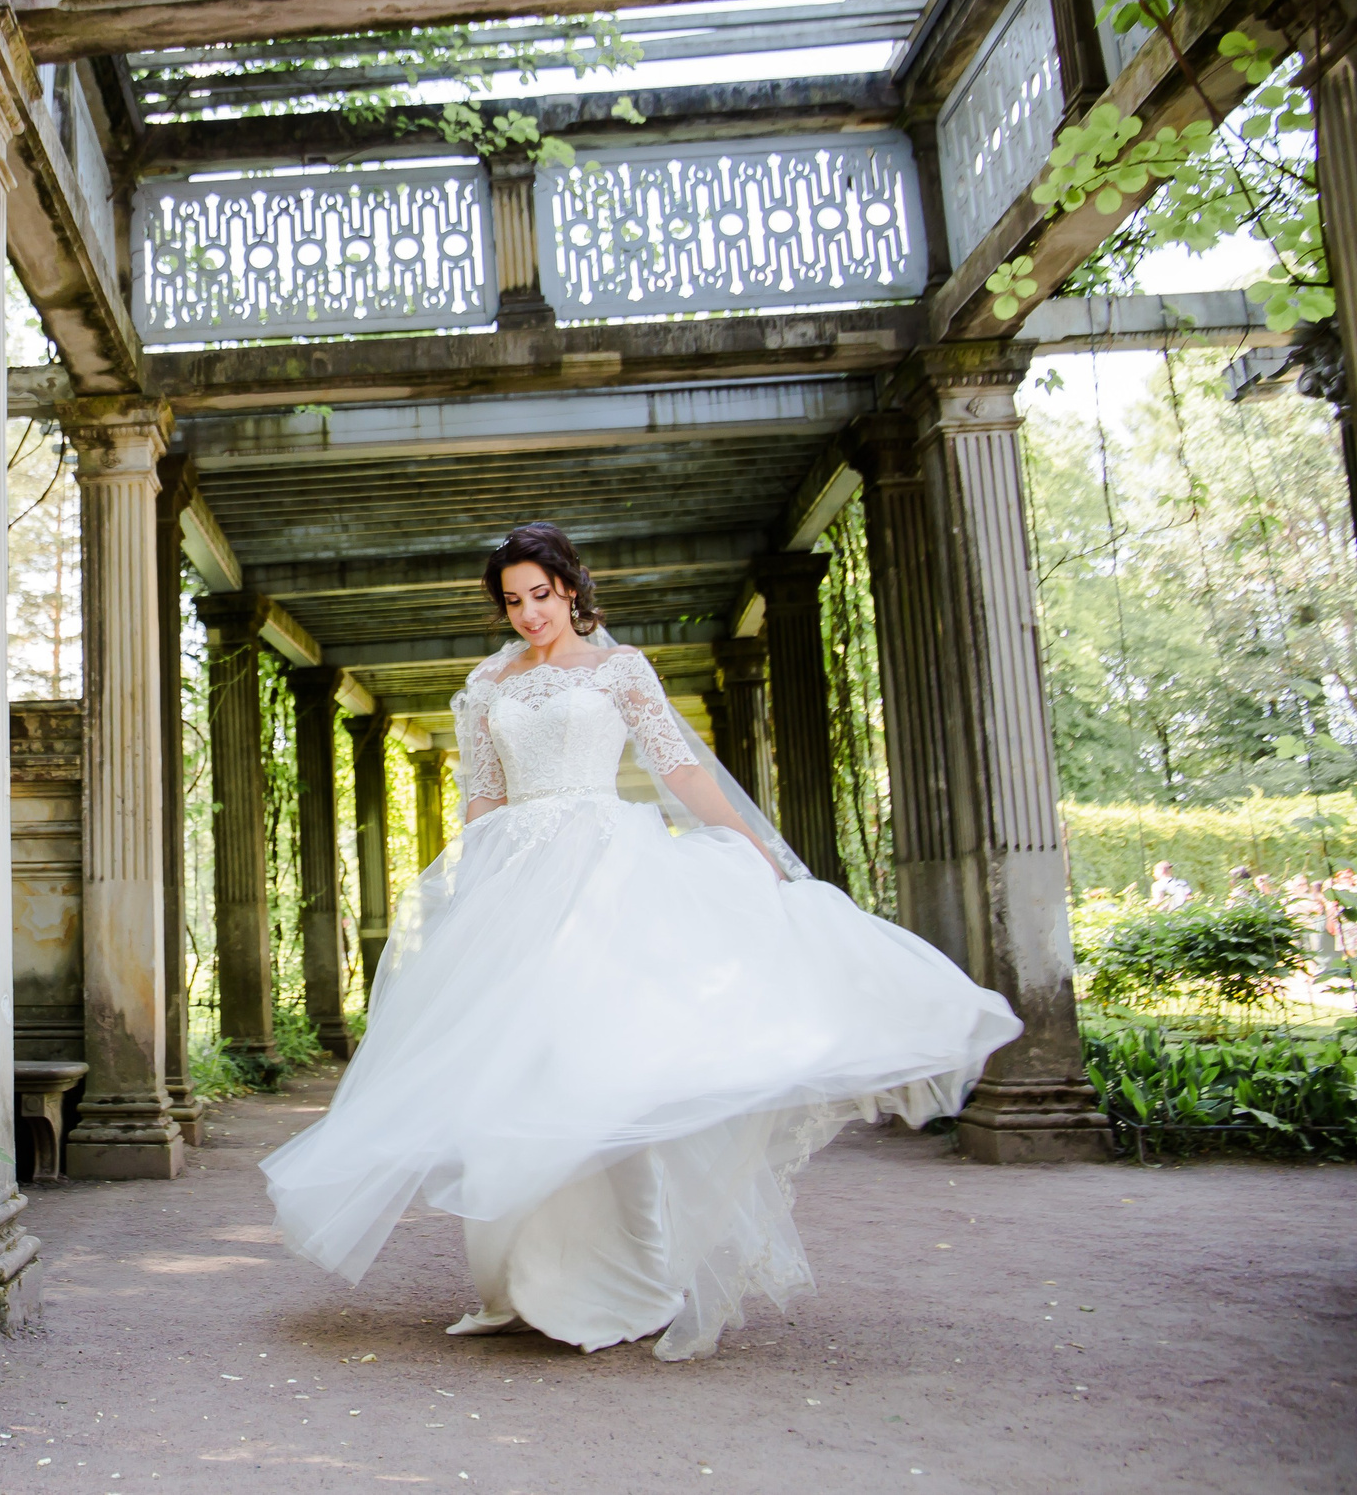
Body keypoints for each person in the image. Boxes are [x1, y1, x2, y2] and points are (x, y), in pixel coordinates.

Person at [260, 523, 1021, 1362]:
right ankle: (524, 1281)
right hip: (516, 882)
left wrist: (756, 849)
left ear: (572, 588)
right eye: (512, 600)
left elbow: (680, 767)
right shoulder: (486, 683)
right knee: (523, 1067)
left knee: (601, 1064)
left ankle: (620, 1275)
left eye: (540, 595)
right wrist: (467, 890)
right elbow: (483, 795)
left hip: (606, 867)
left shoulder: (621, 669)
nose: (528, 614)